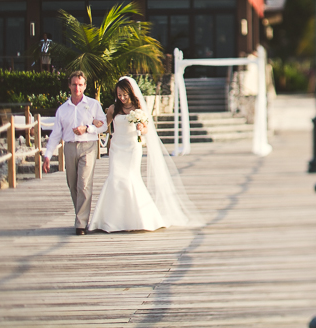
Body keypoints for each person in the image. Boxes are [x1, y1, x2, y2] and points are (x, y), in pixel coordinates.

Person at [88, 76, 203, 233]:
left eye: (124, 94)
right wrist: (95, 125)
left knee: (130, 178)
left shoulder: (139, 108)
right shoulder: (113, 109)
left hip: (132, 147)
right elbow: (104, 127)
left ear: (130, 92)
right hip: (116, 148)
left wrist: (142, 129)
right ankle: (113, 220)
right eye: (119, 94)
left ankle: (137, 218)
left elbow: (147, 129)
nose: (121, 98)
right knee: (115, 178)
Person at [42, 71, 107, 235]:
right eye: (74, 84)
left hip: (88, 146)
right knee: (73, 185)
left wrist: (87, 128)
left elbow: (104, 125)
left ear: (85, 86)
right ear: (69, 86)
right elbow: (56, 134)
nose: (77, 88)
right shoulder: (62, 109)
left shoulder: (93, 105)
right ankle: (81, 216)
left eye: (80, 84)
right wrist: (48, 156)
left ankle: (81, 223)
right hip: (70, 147)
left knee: (84, 184)